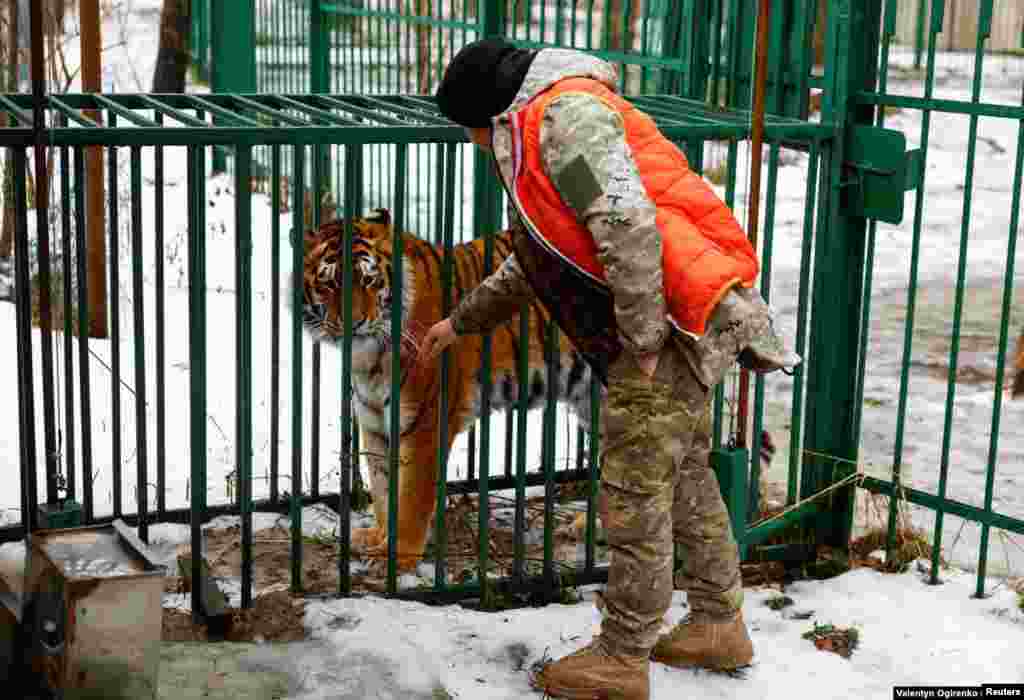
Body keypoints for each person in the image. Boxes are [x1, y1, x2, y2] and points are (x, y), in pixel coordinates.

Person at [421, 39, 799, 700]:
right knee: (682, 476)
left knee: (635, 491)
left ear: (486, 113)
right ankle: (718, 623)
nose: (473, 145)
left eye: (468, 132)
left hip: (671, 322)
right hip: (682, 314)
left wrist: (644, 342)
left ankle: (622, 657)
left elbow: (626, 228)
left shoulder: (566, 121)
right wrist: (461, 322)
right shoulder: (547, 125)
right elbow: (537, 257)